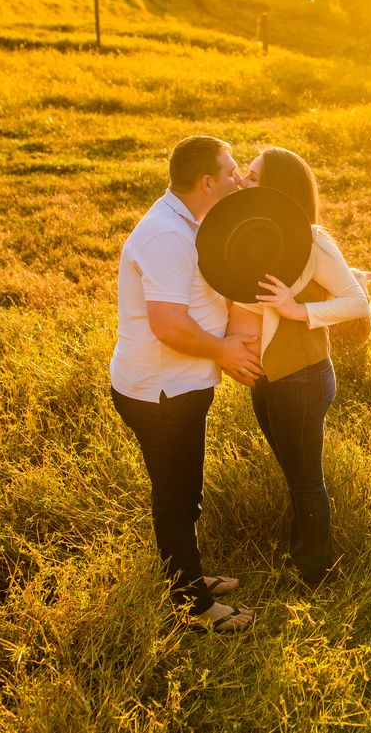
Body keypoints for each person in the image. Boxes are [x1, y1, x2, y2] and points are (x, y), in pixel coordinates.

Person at [109, 136, 264, 632]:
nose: (239, 178)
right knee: (177, 498)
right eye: (233, 171)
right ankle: (193, 608)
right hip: (160, 393)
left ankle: (189, 579)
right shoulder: (166, 237)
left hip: (177, 387)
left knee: (184, 493)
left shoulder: (188, 221)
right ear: (207, 182)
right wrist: (225, 350)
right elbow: (169, 325)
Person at [225, 147, 371, 587]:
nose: (241, 182)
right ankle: (301, 548)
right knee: (293, 472)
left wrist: (298, 310)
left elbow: (358, 301)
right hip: (269, 377)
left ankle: (317, 575)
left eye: (251, 177)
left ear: (275, 188)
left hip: (303, 378)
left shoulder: (313, 240)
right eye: (242, 175)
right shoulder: (252, 235)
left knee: (306, 479)